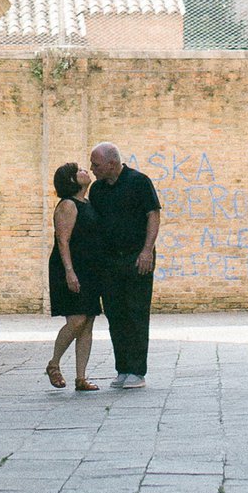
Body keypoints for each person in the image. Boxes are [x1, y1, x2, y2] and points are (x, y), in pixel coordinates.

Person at [86, 142, 161, 388]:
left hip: (136, 258)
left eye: (96, 165)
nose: (92, 169)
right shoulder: (97, 189)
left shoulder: (139, 182)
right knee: (115, 313)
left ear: (112, 163)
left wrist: (147, 250)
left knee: (136, 312)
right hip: (109, 261)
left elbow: (153, 215)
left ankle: (137, 372)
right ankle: (123, 369)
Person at [44, 161, 101, 391]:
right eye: (78, 171)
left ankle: (81, 377)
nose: (85, 171)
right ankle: (54, 363)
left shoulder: (87, 203)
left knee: (87, 322)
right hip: (69, 267)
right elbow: (63, 240)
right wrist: (69, 271)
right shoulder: (68, 205)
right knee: (77, 319)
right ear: (71, 180)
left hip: (89, 268)